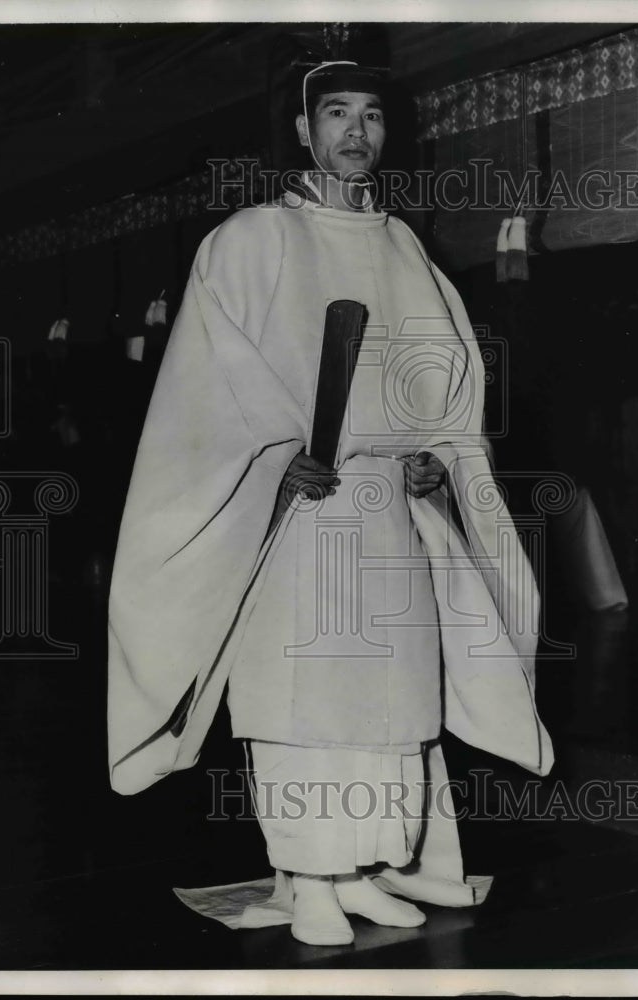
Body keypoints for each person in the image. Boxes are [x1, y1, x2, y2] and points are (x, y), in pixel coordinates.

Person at [107, 60, 553, 946]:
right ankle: (308, 877)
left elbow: (448, 391)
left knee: (393, 699)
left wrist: (433, 460)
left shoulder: (402, 248)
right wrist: (275, 466)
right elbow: (205, 393)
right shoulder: (252, 239)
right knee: (301, 696)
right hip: (299, 514)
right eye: (337, 113)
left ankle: (364, 870)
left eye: (372, 115)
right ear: (303, 131)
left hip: (390, 514)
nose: (356, 131)